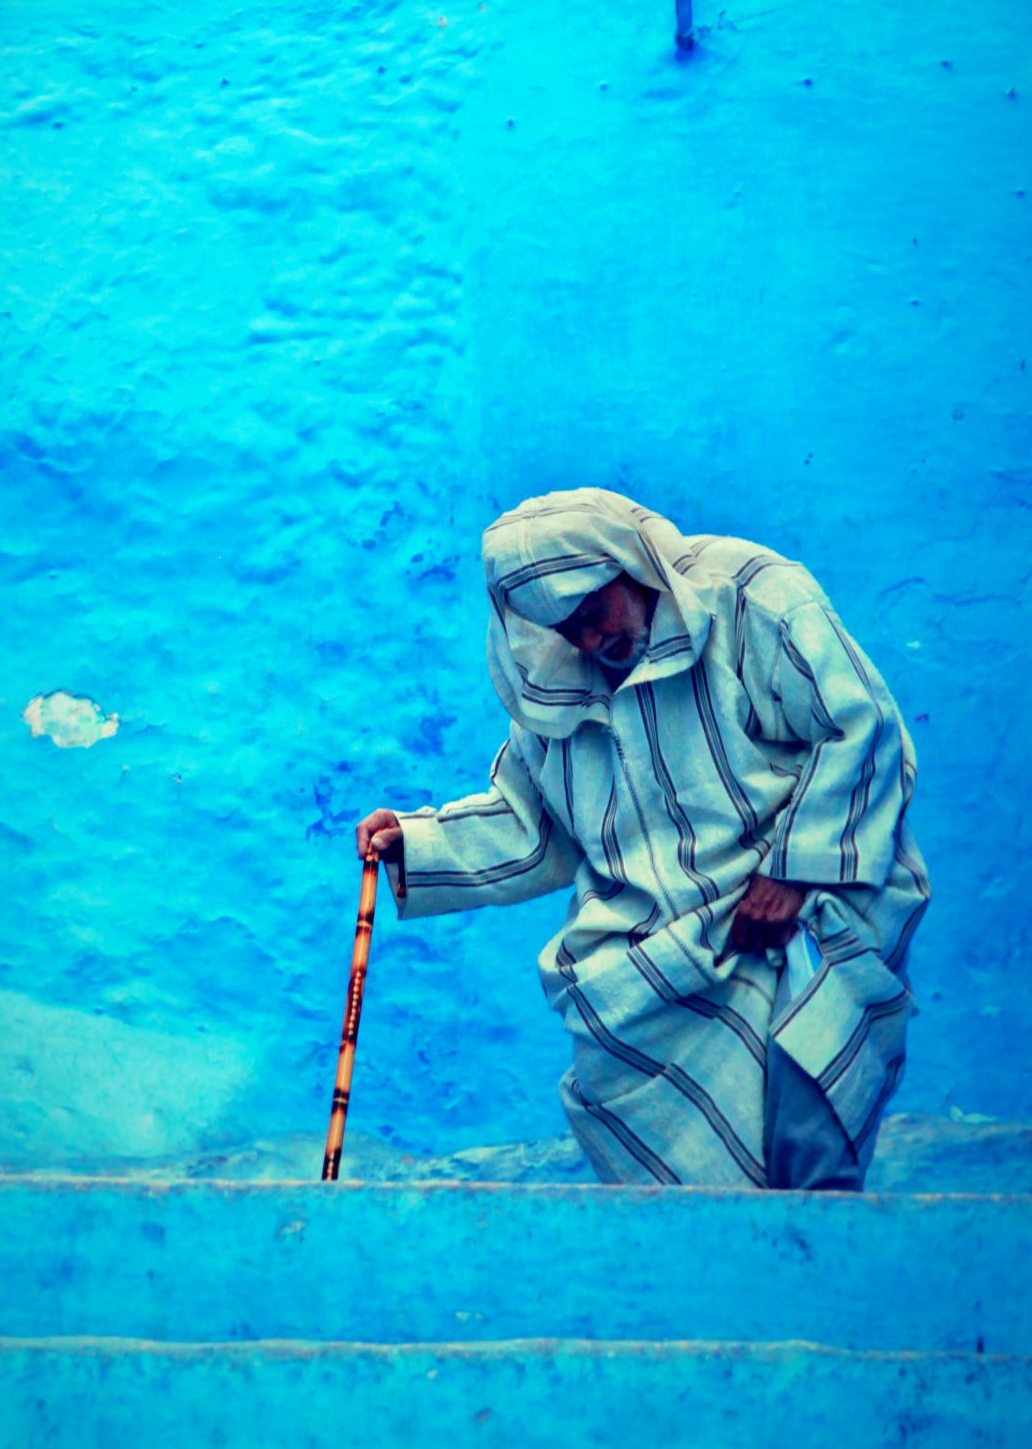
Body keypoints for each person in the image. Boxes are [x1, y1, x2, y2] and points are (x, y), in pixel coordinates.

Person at [356, 487, 929, 1190]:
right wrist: (414, 842)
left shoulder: (753, 598)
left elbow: (859, 729)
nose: (591, 642)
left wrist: (793, 873)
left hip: (791, 916)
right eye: (567, 631)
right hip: (649, 950)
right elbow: (534, 825)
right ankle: (720, 1288)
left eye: (593, 615)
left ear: (626, 567)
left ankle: (808, 1273)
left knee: (807, 1099)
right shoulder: (558, 692)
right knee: (659, 1149)